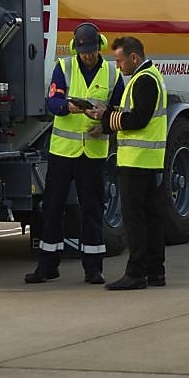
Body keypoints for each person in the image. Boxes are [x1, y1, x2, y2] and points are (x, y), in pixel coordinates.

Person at [25, 22, 124, 285]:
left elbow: (120, 111)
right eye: (84, 52)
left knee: (92, 210)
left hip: (93, 154)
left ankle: (94, 268)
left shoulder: (112, 75)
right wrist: (69, 107)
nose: (88, 56)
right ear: (76, 48)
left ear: (99, 47)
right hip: (63, 152)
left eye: (91, 51)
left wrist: (103, 123)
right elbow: (52, 101)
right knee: (53, 209)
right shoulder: (64, 67)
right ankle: (47, 266)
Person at [88, 36, 168, 290]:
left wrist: (106, 117)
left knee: (135, 220)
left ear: (134, 58)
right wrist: (107, 120)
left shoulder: (144, 80)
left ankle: (136, 273)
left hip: (137, 163)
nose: (118, 66)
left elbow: (137, 119)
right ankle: (156, 272)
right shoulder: (148, 77)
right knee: (152, 219)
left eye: (120, 60)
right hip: (149, 161)